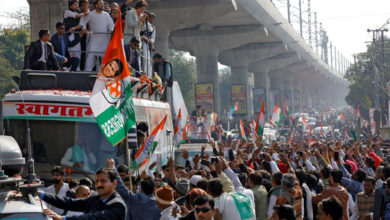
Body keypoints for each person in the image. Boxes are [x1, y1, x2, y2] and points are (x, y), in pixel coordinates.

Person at [39, 168, 127, 220]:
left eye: (103, 181)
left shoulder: (117, 205)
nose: (99, 184)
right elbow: (70, 202)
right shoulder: (95, 198)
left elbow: (92, 218)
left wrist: (63, 218)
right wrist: (41, 194)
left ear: (114, 184)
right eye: (97, 181)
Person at [80, 0, 114, 71]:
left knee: (104, 59)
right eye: (101, 4)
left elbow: (111, 25)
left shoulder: (106, 14)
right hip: (94, 40)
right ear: (96, 5)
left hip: (104, 40)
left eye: (103, 4)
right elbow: (82, 21)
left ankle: (103, 75)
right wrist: (84, 29)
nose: (103, 5)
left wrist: (111, 30)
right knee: (90, 57)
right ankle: (87, 74)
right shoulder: (91, 14)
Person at [140, 11, 156, 78]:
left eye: (152, 19)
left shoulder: (152, 28)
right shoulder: (142, 24)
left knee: (147, 60)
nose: (151, 20)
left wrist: (147, 40)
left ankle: (148, 76)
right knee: (142, 59)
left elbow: (152, 39)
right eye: (150, 18)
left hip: (147, 45)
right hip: (140, 43)